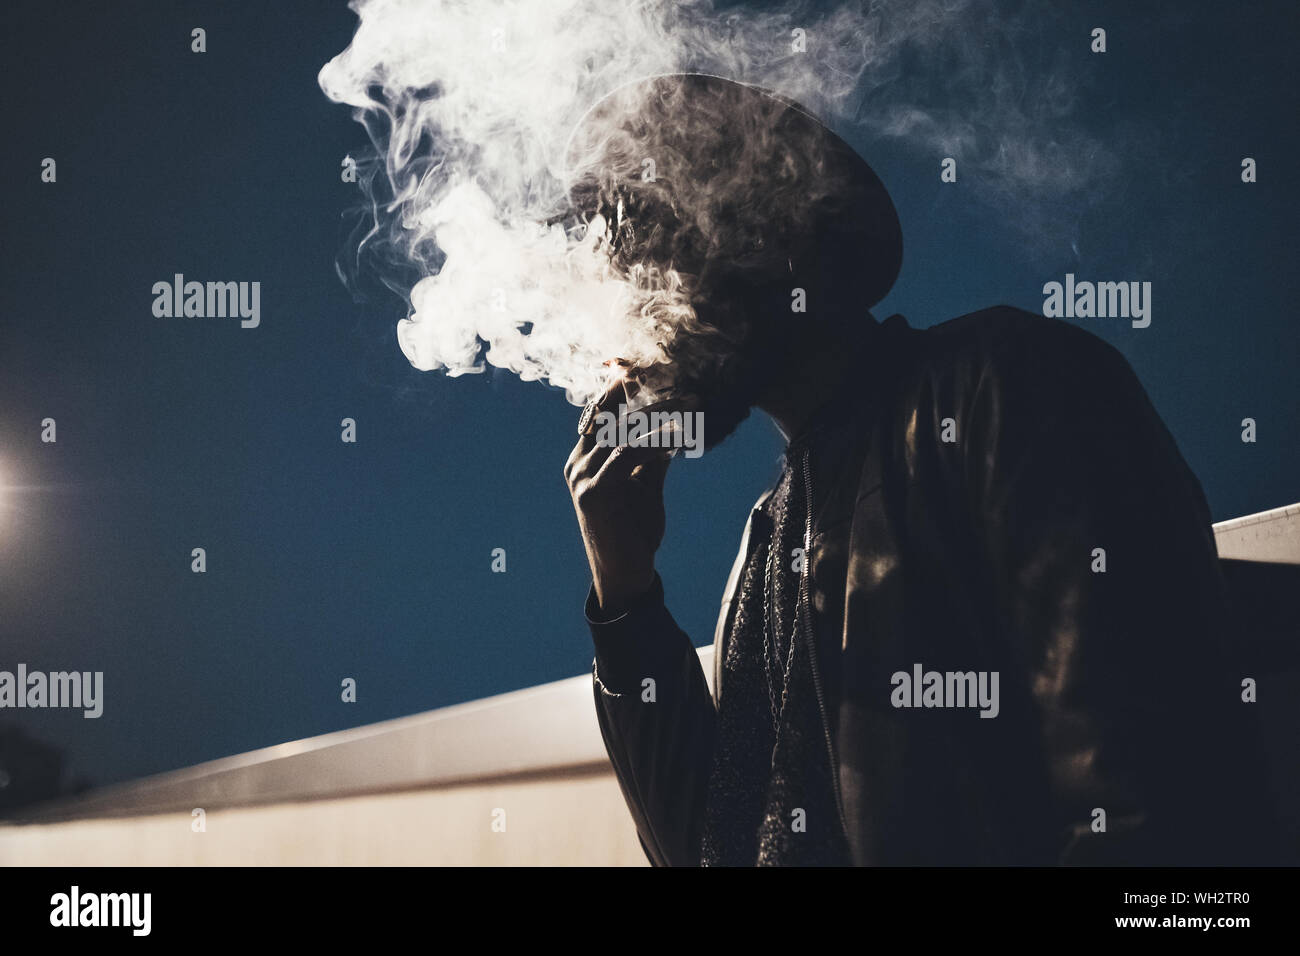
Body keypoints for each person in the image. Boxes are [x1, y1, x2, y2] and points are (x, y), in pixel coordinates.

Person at [562, 73, 1276, 866]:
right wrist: (624, 595)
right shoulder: (765, 540)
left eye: (657, 257)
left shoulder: (1005, 386)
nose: (635, 306)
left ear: (770, 239)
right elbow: (711, 848)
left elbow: (1163, 810)